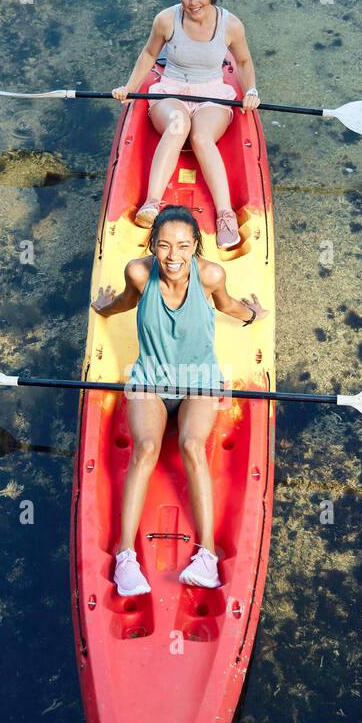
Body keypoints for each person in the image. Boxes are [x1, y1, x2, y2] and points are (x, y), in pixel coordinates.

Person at [91, 206, 266, 595]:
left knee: (191, 445)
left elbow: (226, 305)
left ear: (195, 247)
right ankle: (125, 558)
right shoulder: (139, 272)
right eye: (165, 245)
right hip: (150, 381)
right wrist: (102, 307)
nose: (174, 256)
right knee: (147, 447)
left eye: (184, 246)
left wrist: (252, 315)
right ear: (153, 244)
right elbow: (125, 301)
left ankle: (206, 558)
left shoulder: (210, 275)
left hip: (198, 383)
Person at [112, 0, 261, 250]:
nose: (193, 3)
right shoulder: (166, 20)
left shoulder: (230, 24)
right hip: (171, 90)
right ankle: (152, 203)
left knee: (201, 136)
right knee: (179, 125)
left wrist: (251, 89)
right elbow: (148, 55)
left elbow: (243, 61)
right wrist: (129, 88)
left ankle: (225, 215)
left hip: (211, 94)